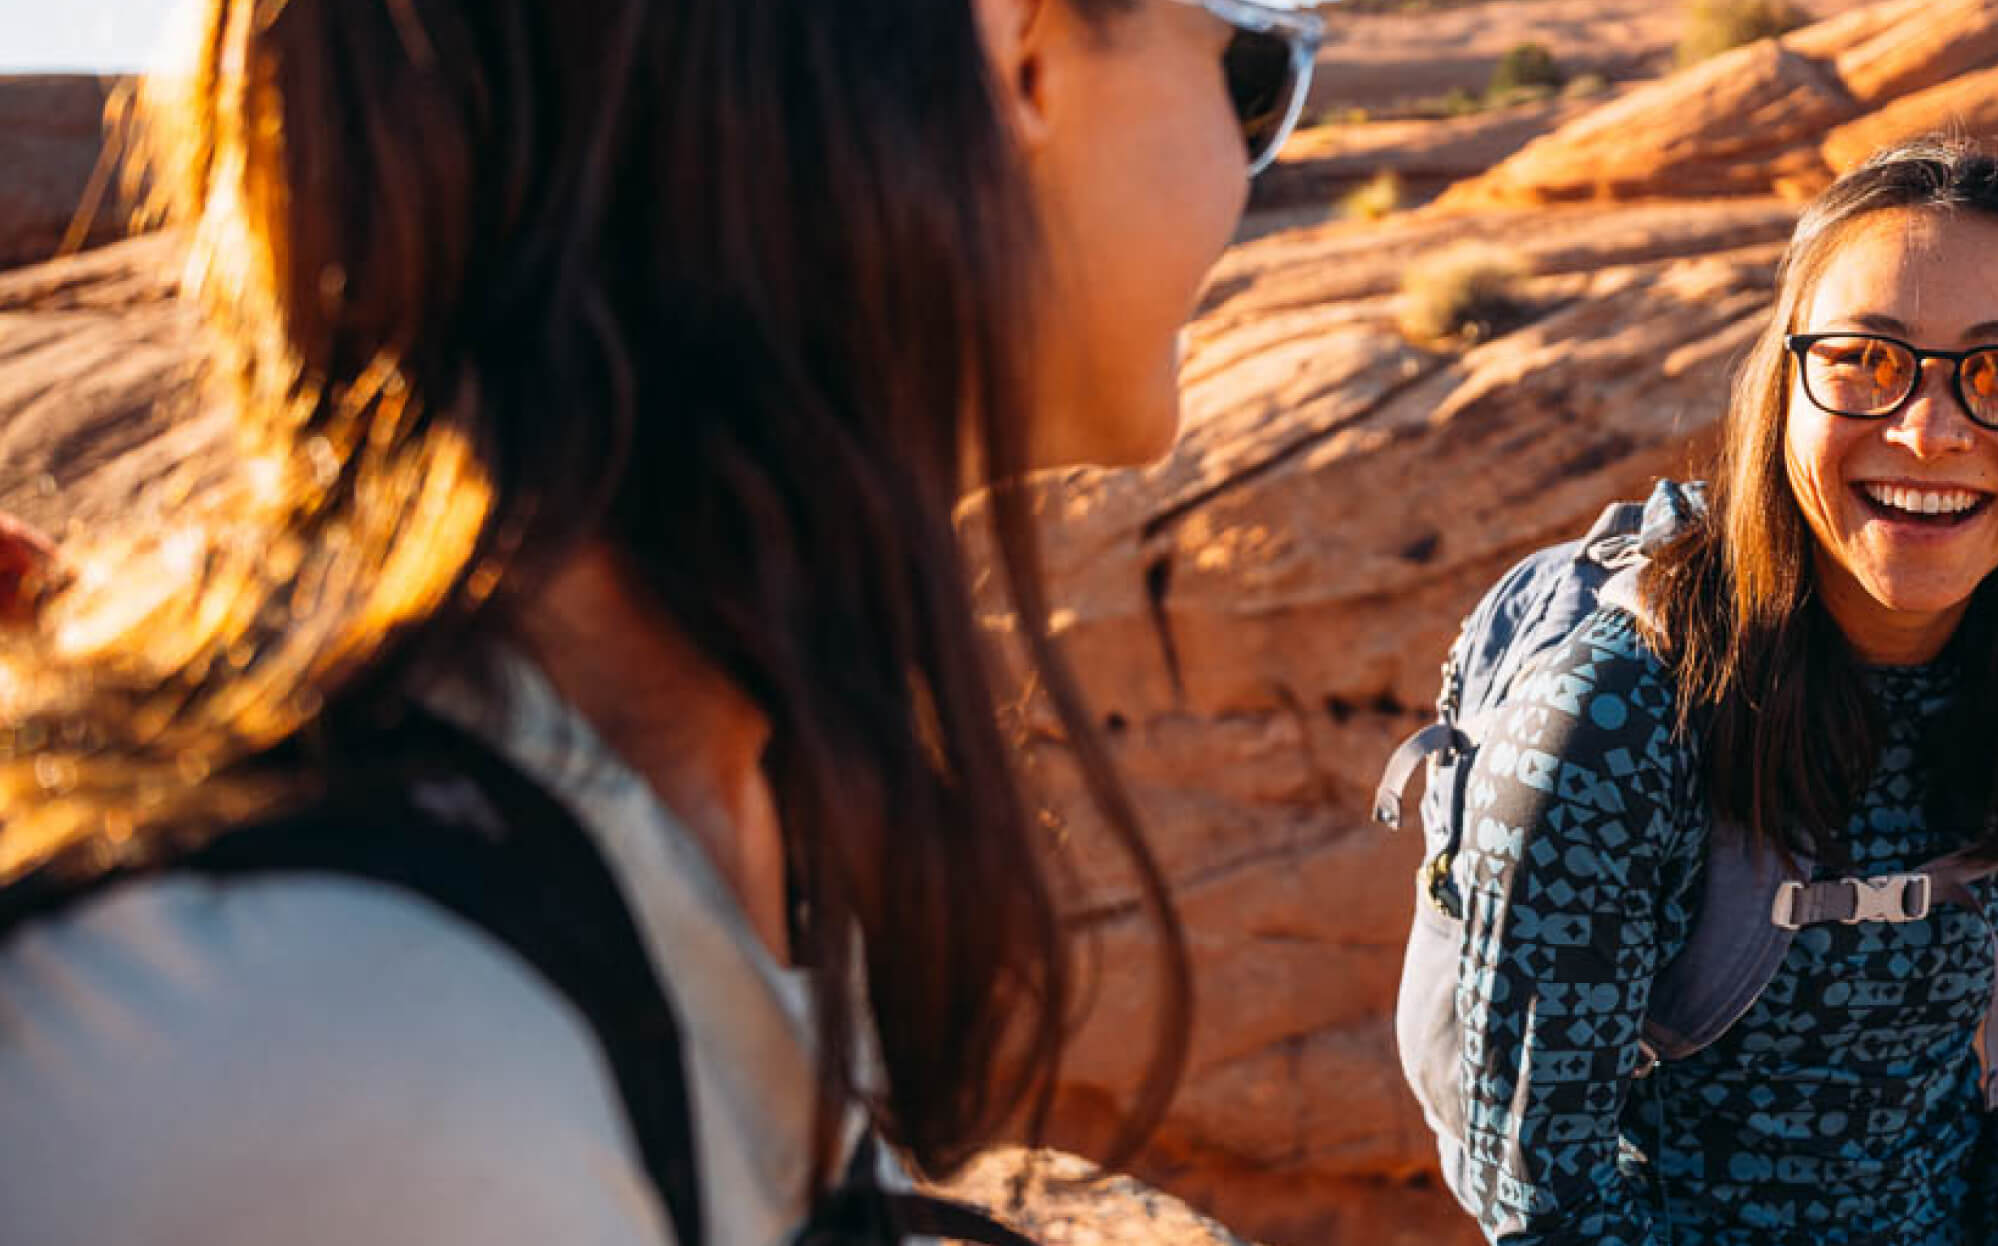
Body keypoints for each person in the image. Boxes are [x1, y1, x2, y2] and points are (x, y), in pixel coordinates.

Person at [0, 0, 1327, 1241]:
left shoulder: (667, 813)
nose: (1254, 156)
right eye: (1257, 75)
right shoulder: (373, 1061)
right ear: (1015, 50)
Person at [1446, 139, 1998, 1245]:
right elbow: (1543, 1189)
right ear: (1782, 388)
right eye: (1868, 358)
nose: (1930, 429)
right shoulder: (1614, 720)